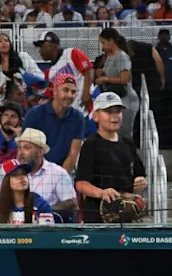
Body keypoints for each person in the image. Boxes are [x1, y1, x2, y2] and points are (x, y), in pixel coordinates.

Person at [74, 92, 147, 224]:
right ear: (96, 116)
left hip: (125, 217)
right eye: (109, 112)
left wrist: (140, 182)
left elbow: (139, 176)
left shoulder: (128, 142)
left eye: (118, 111)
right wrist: (102, 193)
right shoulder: (91, 144)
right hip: (97, 217)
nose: (114, 116)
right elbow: (81, 184)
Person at [23, 72, 86, 172]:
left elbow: (73, 154)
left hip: (64, 173)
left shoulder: (78, 118)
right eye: (66, 90)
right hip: (36, 171)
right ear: (55, 91)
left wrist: (59, 178)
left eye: (73, 92)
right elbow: (27, 150)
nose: (70, 95)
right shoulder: (35, 114)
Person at [13, 128, 78, 219]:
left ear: (40, 151)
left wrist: (44, 212)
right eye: (19, 148)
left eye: (27, 148)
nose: (21, 153)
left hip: (47, 228)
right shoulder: (11, 172)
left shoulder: (58, 173)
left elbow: (71, 203)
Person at [33, 31, 93, 113]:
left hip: (88, 105)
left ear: (51, 44)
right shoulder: (49, 73)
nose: (40, 51)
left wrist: (86, 92)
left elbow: (89, 70)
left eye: (42, 46)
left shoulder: (72, 53)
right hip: (72, 111)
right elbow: (50, 95)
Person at [97, 28, 139, 142]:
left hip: (126, 100)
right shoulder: (110, 56)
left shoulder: (122, 57)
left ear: (111, 41)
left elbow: (124, 79)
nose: (103, 46)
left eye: (103, 43)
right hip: (115, 99)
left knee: (124, 135)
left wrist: (105, 78)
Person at [0, 160, 61, 224]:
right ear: (5, 181)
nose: (22, 177)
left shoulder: (39, 203)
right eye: (15, 175)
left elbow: (46, 234)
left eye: (24, 174)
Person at [0, 33, 43, 109]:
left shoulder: (23, 56)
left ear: (10, 44)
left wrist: (24, 81)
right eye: (0, 41)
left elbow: (39, 75)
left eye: (6, 40)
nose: (3, 43)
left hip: (25, 100)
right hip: (3, 104)